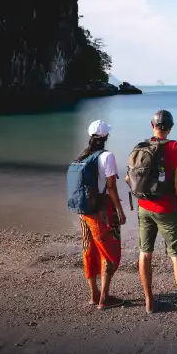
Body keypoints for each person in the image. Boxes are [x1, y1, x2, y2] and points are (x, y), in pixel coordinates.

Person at [127, 110, 177, 320]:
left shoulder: (140, 146)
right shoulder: (174, 146)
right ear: (170, 127)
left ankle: (149, 302)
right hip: (166, 208)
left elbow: (128, 178)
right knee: (176, 254)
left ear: (151, 125)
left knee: (145, 252)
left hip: (144, 207)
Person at [77, 119, 127, 310]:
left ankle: (94, 294)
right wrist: (120, 211)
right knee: (109, 252)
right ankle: (105, 298)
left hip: (84, 211)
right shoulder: (107, 157)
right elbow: (111, 187)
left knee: (89, 248)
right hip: (102, 209)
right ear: (106, 136)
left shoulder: (82, 157)